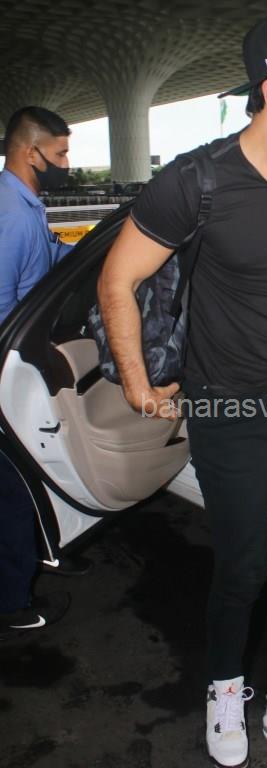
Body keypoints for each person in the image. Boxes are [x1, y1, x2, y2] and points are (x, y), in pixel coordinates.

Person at [98, 12, 267, 768]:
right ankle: (224, 689)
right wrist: (140, 386)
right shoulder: (196, 180)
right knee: (245, 567)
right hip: (226, 404)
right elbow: (118, 280)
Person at [0, 106, 81, 638]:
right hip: (7, 369)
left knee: (27, 477)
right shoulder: (10, 213)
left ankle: (37, 556)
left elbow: (49, 256)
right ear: (31, 152)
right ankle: (10, 600)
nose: (66, 163)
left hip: (18, 364)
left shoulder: (25, 205)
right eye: (60, 153)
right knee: (9, 489)